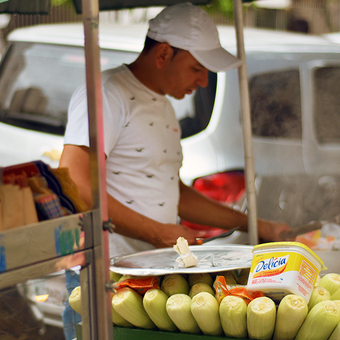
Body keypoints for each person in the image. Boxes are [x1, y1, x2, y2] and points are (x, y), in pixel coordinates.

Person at [59, 2, 292, 338]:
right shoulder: (108, 93)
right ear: (164, 54)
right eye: (197, 68)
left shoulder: (165, 105)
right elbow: (73, 184)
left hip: (151, 271)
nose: (202, 81)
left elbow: (173, 191)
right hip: (105, 272)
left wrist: (255, 225)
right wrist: (157, 231)